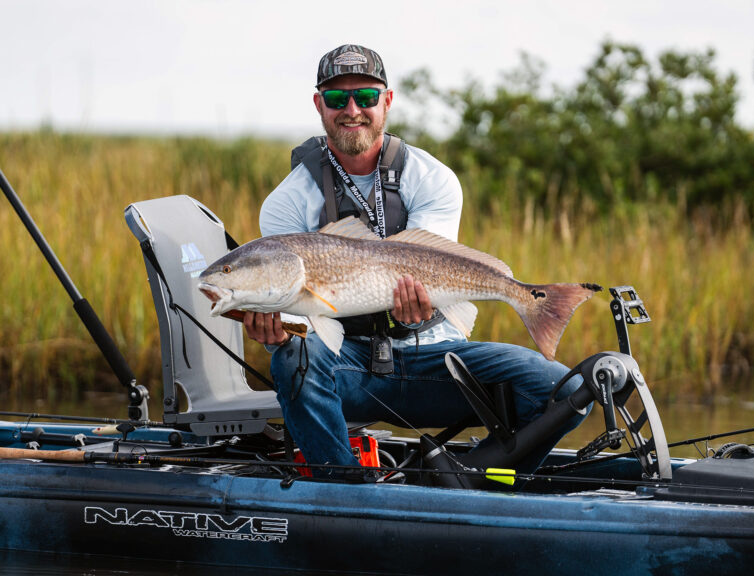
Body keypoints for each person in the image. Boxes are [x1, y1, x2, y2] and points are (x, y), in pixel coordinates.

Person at [243, 44, 588, 477]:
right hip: (346, 364)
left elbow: (434, 265)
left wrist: (418, 309)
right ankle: (346, 488)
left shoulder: (433, 178)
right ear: (319, 105)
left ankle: (480, 477)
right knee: (292, 358)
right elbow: (297, 318)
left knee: (567, 389)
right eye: (337, 98)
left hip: (437, 357)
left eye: (366, 97)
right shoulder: (286, 202)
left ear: (387, 101)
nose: (352, 109)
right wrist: (275, 332)